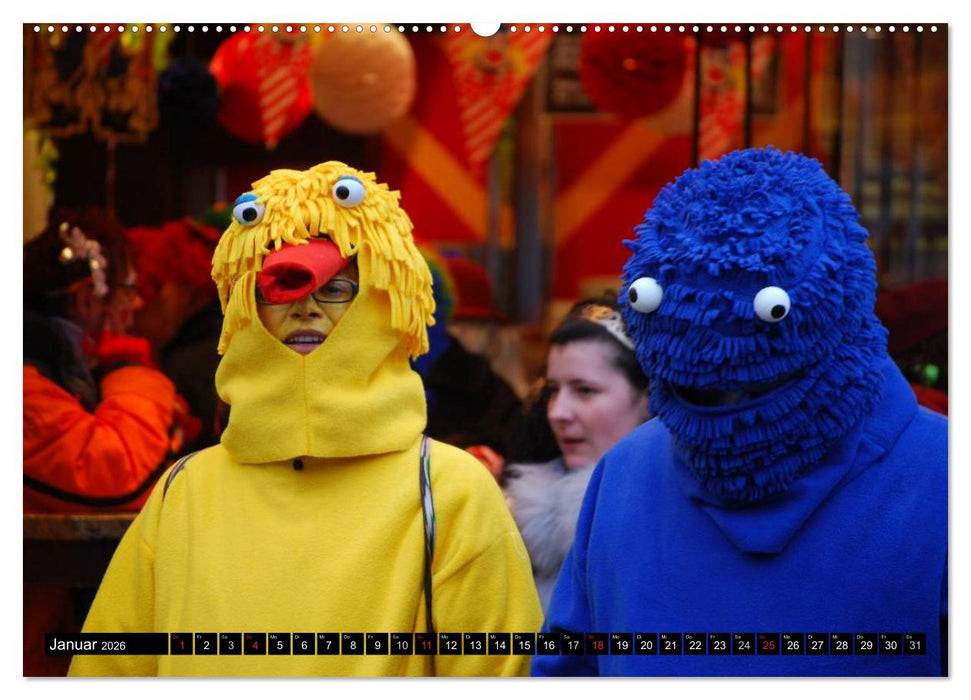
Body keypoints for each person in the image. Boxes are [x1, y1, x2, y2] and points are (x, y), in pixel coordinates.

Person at [69, 162, 543, 677]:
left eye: (337, 288)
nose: (306, 309)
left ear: (383, 299)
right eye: (280, 290)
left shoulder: (450, 493)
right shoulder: (182, 492)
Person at [533, 147, 947, 677]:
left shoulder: (943, 481)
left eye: (748, 389)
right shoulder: (626, 471)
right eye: (706, 394)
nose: (728, 411)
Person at [23, 209, 181, 676]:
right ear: (86, 301)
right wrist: (131, 369)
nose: (135, 308)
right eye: (128, 291)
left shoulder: (65, 374)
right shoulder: (26, 384)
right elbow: (120, 475)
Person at [503, 296, 649, 610]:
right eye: (553, 390)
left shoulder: (674, 527)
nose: (558, 412)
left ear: (648, 398)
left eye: (585, 391)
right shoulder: (514, 516)